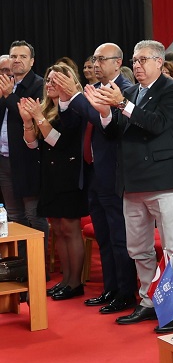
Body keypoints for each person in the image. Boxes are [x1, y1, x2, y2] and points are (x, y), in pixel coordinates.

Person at [84, 39, 173, 333]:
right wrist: (105, 112)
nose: (137, 65)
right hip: (131, 181)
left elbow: (157, 124)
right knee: (138, 248)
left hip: (163, 180)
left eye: (143, 60)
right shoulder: (131, 92)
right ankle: (148, 300)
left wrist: (121, 104)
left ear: (159, 62)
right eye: (134, 60)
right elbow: (115, 134)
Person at [56, 42, 137, 313]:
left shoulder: (124, 90)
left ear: (118, 62)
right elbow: (73, 124)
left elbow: (108, 126)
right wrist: (66, 99)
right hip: (92, 172)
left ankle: (126, 292)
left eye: (102, 59)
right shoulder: (95, 89)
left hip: (114, 173)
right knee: (103, 235)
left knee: (118, 236)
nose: (96, 64)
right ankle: (110, 288)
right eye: (95, 59)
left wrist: (77, 97)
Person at [19, 63, 88, 300]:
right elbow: (32, 144)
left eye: (55, 80)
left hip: (69, 175)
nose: (49, 84)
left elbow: (58, 140)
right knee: (57, 229)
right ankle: (65, 280)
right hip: (49, 175)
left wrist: (38, 117)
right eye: (48, 80)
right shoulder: (46, 108)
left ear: (68, 83)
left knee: (70, 228)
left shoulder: (76, 109)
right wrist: (28, 121)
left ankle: (75, 282)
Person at [0, 41, 48, 258]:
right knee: (13, 216)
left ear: (32, 61)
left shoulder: (38, 85)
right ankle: (19, 266)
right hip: (4, 159)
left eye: (22, 56)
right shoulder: (6, 84)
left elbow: (27, 114)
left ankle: (38, 267)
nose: (17, 60)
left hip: (29, 160)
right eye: (13, 56)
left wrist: (9, 95)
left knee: (33, 215)